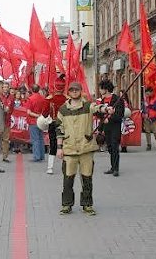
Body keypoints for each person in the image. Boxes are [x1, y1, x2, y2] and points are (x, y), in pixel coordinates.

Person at [56, 82, 98, 215]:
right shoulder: (63, 110)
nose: (74, 92)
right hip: (69, 149)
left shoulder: (88, 106)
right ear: (68, 92)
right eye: (72, 90)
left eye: (77, 90)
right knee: (68, 180)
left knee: (87, 179)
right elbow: (59, 129)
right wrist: (59, 148)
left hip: (86, 148)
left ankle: (87, 205)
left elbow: (98, 108)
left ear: (81, 91)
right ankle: (66, 205)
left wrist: (106, 109)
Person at [94, 80, 125, 177]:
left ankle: (116, 169)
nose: (99, 90)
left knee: (115, 146)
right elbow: (98, 113)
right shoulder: (102, 101)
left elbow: (120, 114)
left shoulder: (118, 100)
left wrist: (111, 117)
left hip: (115, 127)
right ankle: (112, 167)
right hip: (106, 127)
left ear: (106, 89)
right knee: (110, 148)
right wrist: (103, 121)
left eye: (101, 88)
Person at [46, 77, 68, 174]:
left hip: (53, 124)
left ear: (54, 87)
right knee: (66, 145)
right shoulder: (68, 99)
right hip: (66, 124)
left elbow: (45, 113)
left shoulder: (49, 99)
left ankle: (50, 168)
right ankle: (66, 167)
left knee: (53, 145)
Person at [26, 84, 49, 162]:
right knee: (41, 138)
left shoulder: (30, 99)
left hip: (33, 121)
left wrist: (37, 115)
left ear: (32, 90)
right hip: (41, 121)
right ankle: (42, 155)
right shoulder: (43, 99)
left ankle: (37, 156)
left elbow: (29, 112)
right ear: (39, 89)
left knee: (35, 139)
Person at [143, 86, 156, 151]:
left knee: (155, 131)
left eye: (148, 94)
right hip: (147, 117)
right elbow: (144, 108)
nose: (147, 95)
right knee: (147, 132)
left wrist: (149, 106)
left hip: (154, 118)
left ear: (152, 92)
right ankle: (149, 145)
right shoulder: (146, 98)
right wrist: (143, 113)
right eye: (146, 94)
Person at [0, 82, 15, 163]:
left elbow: (12, 109)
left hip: (7, 121)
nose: (5, 88)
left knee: (6, 139)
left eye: (6, 87)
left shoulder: (11, 97)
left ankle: (5, 156)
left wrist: (8, 111)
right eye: (4, 87)